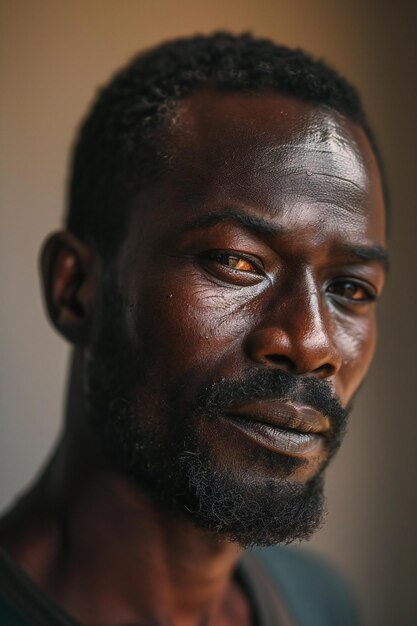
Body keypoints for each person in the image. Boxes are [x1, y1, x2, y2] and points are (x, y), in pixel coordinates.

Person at [0, 32, 388, 626]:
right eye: (238, 262)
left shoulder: (322, 605)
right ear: (76, 288)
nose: (312, 344)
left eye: (351, 289)